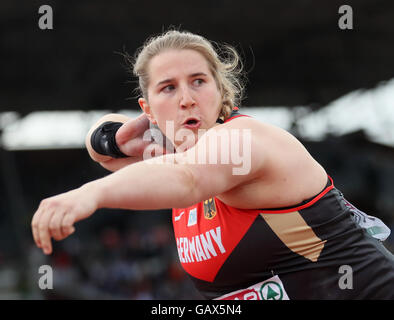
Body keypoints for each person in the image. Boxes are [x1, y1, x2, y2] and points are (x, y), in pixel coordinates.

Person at [31, 30, 394, 300]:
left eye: (198, 82)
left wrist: (89, 195)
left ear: (221, 93)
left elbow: (188, 179)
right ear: (147, 109)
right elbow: (105, 150)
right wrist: (112, 136)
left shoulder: (245, 141)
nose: (187, 99)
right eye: (168, 88)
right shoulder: (168, 158)